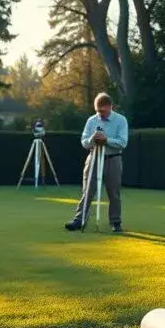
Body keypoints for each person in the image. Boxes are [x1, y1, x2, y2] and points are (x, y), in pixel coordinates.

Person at [65, 92, 129, 232]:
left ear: (110, 107)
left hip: (113, 159)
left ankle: (115, 222)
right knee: (87, 190)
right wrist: (93, 139)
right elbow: (84, 142)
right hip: (93, 157)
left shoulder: (120, 120)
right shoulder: (92, 120)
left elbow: (123, 142)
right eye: (98, 111)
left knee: (114, 192)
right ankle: (79, 220)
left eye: (103, 111)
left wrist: (107, 140)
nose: (100, 114)